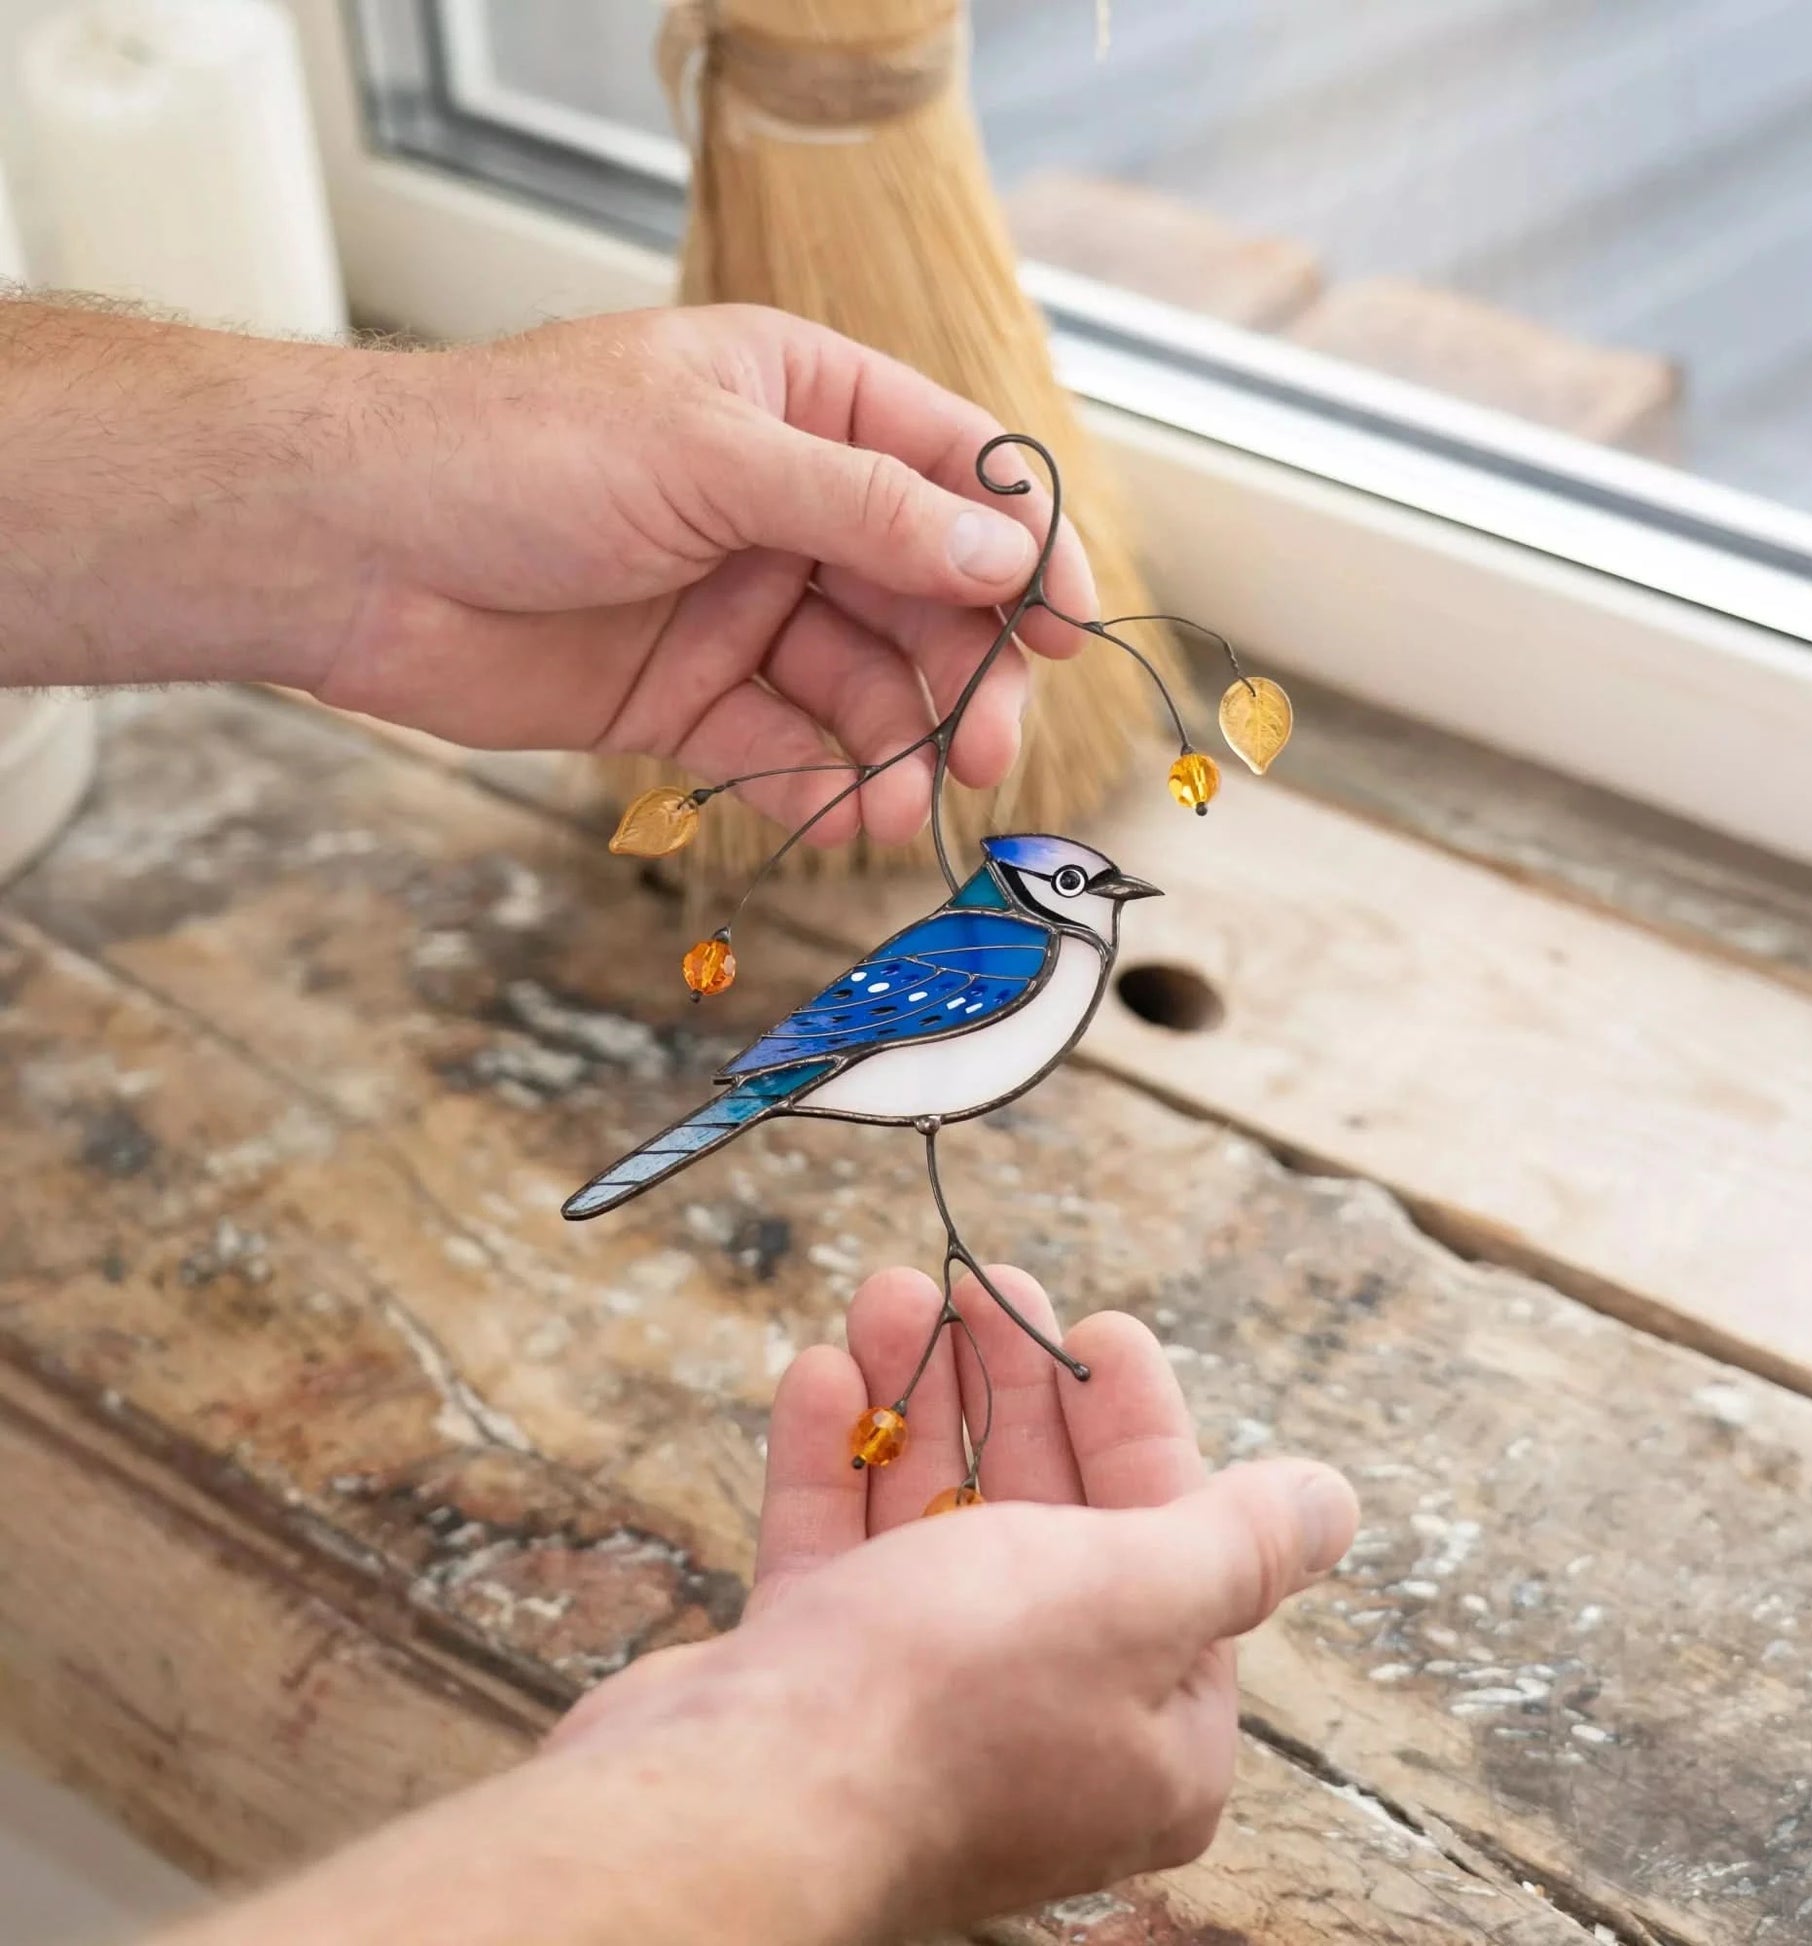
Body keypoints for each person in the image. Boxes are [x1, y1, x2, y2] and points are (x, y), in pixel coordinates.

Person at [0, 295, 1359, 1946]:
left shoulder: (1012, 928)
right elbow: (888, 1028)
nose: (1099, 892)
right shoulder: (1003, 947)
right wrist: (850, 1773)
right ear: (1036, 887)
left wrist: (357, 507)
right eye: (1080, 881)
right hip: (840, 1068)